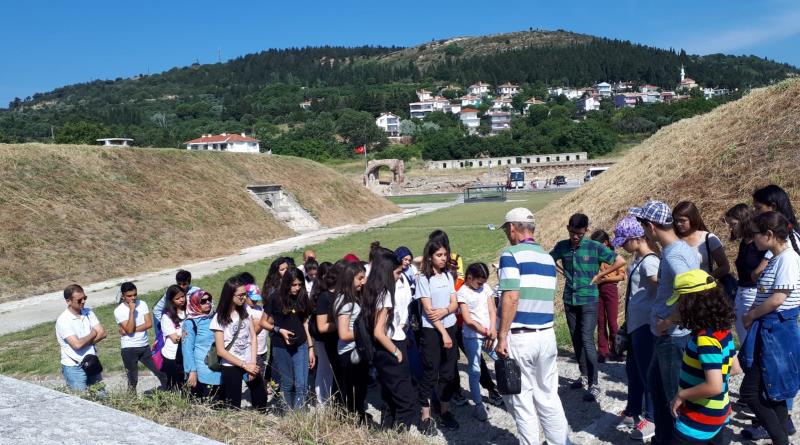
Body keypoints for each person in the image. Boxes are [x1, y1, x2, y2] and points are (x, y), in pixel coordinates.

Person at [495, 208, 570, 445]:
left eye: (507, 229)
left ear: (512, 228)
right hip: (546, 334)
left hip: (520, 335)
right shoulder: (548, 258)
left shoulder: (511, 255)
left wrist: (502, 336)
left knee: (522, 401)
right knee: (548, 396)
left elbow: (511, 297)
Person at [630, 200, 699, 445]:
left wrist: (669, 320)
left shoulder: (674, 255)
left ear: (650, 225)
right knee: (658, 392)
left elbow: (693, 294)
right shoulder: (682, 249)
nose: (642, 231)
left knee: (673, 400)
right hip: (668, 337)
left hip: (672, 337)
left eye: (642, 225)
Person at [550, 213, 626, 402]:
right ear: (568, 228)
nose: (576, 237)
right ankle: (583, 376)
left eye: (580, 234)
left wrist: (601, 276)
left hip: (589, 299)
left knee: (586, 338)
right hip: (570, 299)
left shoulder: (595, 247)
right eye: (573, 232)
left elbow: (620, 261)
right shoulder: (562, 247)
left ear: (586, 231)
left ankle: (594, 383)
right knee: (576, 338)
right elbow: (548, 259)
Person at [739, 211, 800, 445]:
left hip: (777, 330)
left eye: (755, 234)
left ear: (769, 234)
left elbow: (778, 298)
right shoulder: (776, 258)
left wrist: (750, 316)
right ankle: (780, 440)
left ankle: (780, 440)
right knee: (772, 393)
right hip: (768, 329)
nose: (753, 239)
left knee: (750, 392)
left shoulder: (787, 259)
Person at [669, 269, 738, 445]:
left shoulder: (705, 339)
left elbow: (714, 386)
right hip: (719, 412)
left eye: (679, 303)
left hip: (698, 419)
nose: (677, 308)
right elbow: (735, 368)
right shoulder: (723, 331)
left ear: (691, 305)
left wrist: (681, 395)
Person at [611, 216, 659, 441]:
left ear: (637, 238)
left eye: (624, 241)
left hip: (645, 324)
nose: (622, 245)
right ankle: (633, 410)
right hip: (634, 322)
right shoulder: (638, 259)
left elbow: (659, 290)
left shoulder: (650, 262)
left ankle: (651, 418)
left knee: (647, 371)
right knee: (633, 370)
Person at [365, 247, 419, 430]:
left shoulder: (372, 290)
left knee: (389, 395)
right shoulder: (386, 294)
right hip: (390, 346)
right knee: (407, 401)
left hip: (381, 350)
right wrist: (396, 351)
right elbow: (379, 331)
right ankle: (398, 435)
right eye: (397, 272)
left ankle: (387, 430)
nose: (399, 276)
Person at [416, 237, 460, 434]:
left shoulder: (449, 276)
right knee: (430, 373)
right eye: (438, 255)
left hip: (450, 328)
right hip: (433, 332)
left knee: (449, 372)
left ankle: (444, 410)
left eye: (445, 254)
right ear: (430, 256)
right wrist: (443, 333)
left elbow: (454, 304)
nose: (443, 259)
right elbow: (428, 310)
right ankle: (425, 416)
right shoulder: (423, 279)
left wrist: (445, 312)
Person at [210, 275, 267, 410]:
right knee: (233, 403)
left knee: (260, 396)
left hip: (249, 361)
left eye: (245, 294)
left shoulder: (246, 310)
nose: (243, 298)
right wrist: (244, 365)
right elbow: (220, 350)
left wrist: (252, 362)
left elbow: (253, 337)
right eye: (240, 295)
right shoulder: (219, 318)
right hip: (231, 364)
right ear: (230, 295)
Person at [263, 267, 315, 411]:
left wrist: (311, 348)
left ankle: (299, 417)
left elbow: (305, 322)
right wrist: (279, 331)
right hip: (281, 346)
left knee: (301, 384)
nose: (297, 288)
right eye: (294, 285)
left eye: (300, 284)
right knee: (287, 383)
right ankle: (289, 413)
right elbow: (263, 322)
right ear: (287, 284)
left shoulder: (302, 296)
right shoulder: (275, 298)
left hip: (301, 345)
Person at [457, 262, 497, 421]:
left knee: (502, 359)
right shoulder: (462, 293)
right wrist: (486, 332)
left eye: (484, 282)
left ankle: (511, 393)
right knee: (475, 370)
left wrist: (493, 330)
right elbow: (467, 320)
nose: (482, 285)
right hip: (472, 337)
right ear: (469, 277)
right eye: (479, 282)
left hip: (490, 334)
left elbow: (492, 309)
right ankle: (479, 405)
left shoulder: (485, 288)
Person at [114, 281, 167, 392]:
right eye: (129, 296)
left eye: (135, 295)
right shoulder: (118, 311)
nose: (133, 298)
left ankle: (168, 392)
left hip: (144, 347)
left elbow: (148, 324)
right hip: (129, 349)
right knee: (133, 380)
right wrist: (132, 311)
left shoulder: (142, 304)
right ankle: (132, 401)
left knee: (160, 372)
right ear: (123, 296)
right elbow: (128, 329)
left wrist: (131, 330)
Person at [723, 204, 766, 342]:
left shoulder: (759, 244)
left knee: (752, 339)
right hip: (741, 292)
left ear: (744, 221)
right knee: (743, 338)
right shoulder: (744, 243)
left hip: (754, 293)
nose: (731, 228)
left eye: (733, 224)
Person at [334, 261, 369, 421]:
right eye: (360, 278)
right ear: (350, 278)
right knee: (354, 390)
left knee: (360, 388)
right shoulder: (346, 302)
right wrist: (365, 333)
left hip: (357, 351)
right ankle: (355, 418)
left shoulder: (355, 297)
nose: (364, 281)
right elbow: (343, 334)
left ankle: (359, 414)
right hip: (349, 353)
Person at [56, 284, 107, 392]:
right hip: (74, 367)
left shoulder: (88, 312)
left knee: (103, 397)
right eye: (79, 300)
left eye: (85, 298)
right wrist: (93, 334)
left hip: (92, 362)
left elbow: (102, 333)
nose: (83, 301)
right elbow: (77, 345)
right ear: (68, 301)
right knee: (81, 401)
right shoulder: (64, 320)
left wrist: (85, 341)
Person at [590, 229, 626, 363]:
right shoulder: (595, 257)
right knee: (600, 321)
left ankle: (616, 351)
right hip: (597, 288)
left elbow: (621, 276)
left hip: (610, 288)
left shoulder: (613, 256)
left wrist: (604, 279)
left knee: (612, 321)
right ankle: (603, 351)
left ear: (605, 243)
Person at [182, 287, 222, 402]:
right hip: (203, 369)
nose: (208, 303)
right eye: (203, 301)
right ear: (195, 303)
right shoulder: (190, 323)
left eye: (209, 299)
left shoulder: (215, 317)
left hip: (218, 366)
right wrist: (192, 371)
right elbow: (187, 349)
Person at [673, 201, 731, 279]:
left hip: (704, 289)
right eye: (676, 220)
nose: (678, 224)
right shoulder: (673, 240)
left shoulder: (708, 239)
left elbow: (724, 267)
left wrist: (706, 280)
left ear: (692, 219)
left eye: (682, 220)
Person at [314, 261, 343, 405]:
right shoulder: (325, 297)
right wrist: (341, 324)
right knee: (325, 368)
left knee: (336, 371)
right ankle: (323, 402)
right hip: (326, 340)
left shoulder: (341, 294)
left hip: (338, 339)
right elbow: (322, 326)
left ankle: (336, 400)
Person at [153, 269, 196, 338]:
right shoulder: (171, 292)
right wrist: (166, 323)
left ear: (189, 283)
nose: (181, 286)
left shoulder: (196, 292)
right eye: (179, 284)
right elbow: (157, 309)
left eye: (184, 284)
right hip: (172, 319)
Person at [160, 284, 187, 390]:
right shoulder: (167, 317)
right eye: (177, 298)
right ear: (171, 300)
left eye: (182, 296)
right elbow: (175, 339)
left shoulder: (188, 312)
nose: (181, 300)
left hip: (186, 353)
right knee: (175, 384)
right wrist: (186, 334)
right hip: (173, 356)